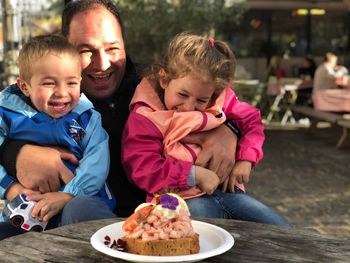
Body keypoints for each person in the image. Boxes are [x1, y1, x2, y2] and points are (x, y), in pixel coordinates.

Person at [0, 0, 238, 220]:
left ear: (125, 43)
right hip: (64, 217)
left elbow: (221, 99)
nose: (102, 63)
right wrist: (14, 153)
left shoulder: (156, 87)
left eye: (112, 48)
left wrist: (229, 129)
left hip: (170, 207)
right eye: (86, 50)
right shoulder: (28, 98)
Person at [122, 33, 290, 226]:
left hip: (227, 191)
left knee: (280, 229)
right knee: (203, 235)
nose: (189, 107)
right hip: (173, 200)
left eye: (201, 100)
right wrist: (194, 175)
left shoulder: (218, 99)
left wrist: (246, 158)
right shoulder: (145, 116)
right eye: (182, 94)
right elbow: (142, 167)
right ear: (164, 80)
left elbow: (251, 120)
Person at [0, 34, 115, 239]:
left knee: (82, 210)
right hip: (25, 209)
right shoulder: (7, 115)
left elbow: (96, 161)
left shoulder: (86, 118)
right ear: (25, 86)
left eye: (71, 83)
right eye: (49, 83)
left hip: (75, 201)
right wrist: (12, 189)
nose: (62, 92)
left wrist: (68, 194)